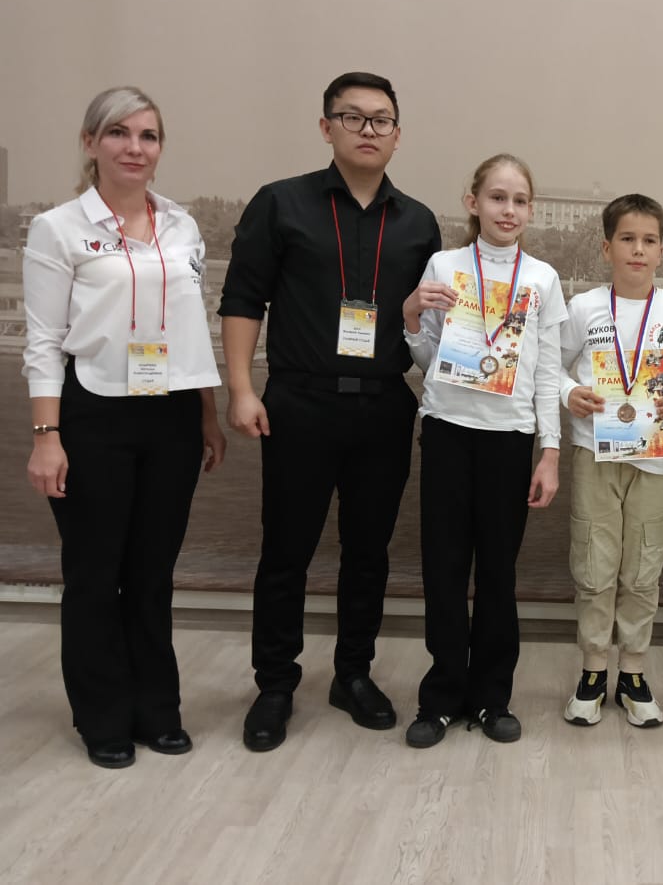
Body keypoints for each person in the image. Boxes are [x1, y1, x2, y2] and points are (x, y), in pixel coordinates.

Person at [218, 72, 442, 752]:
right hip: (300, 402)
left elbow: (430, 325)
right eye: (353, 117)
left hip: (383, 407)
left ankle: (353, 674)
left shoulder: (419, 223)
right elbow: (243, 299)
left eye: (382, 120)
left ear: (398, 135)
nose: (368, 129)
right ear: (326, 127)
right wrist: (241, 389)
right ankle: (275, 684)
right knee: (286, 550)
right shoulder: (281, 204)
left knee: (368, 552)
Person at [23, 86, 226, 768]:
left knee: (152, 572)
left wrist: (207, 414)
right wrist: (47, 437)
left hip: (172, 414)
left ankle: (157, 708)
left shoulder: (183, 226)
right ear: (90, 143)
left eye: (148, 135)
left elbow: (189, 328)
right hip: (93, 414)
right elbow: (43, 341)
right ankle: (102, 715)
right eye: (119, 133)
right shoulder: (58, 229)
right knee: (94, 572)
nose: (134, 147)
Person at [401, 153, 566, 747]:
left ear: (531, 210)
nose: (508, 210)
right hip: (448, 431)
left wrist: (550, 452)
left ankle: (493, 697)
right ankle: (442, 697)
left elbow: (547, 371)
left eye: (519, 200)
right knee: (444, 570)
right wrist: (410, 317)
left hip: (509, 440)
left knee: (498, 573)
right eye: (497, 197)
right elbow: (429, 360)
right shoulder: (444, 266)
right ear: (473, 203)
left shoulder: (542, 279)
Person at [558, 194, 663, 728]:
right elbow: (552, 369)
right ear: (607, 248)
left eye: (649, 240)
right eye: (627, 239)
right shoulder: (583, 307)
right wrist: (569, 393)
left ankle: (634, 673)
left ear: (662, 251)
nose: (638, 250)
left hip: (654, 455)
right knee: (594, 561)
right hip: (594, 450)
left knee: (644, 563)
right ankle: (593, 669)